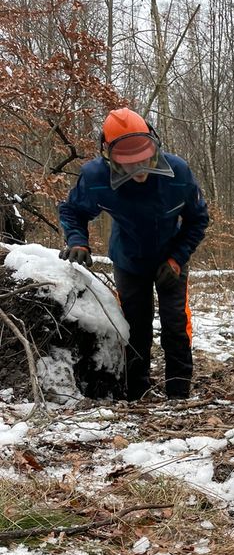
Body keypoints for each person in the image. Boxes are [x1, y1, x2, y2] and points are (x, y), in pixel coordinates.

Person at [58, 108, 209, 401]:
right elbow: (72, 210)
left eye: (144, 161)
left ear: (153, 145)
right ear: (110, 157)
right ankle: (136, 394)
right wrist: (78, 241)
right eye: (129, 166)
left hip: (171, 260)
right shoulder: (95, 177)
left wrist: (177, 258)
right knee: (135, 329)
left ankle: (178, 395)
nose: (139, 172)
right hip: (129, 260)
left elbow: (197, 220)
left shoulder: (178, 173)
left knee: (175, 325)